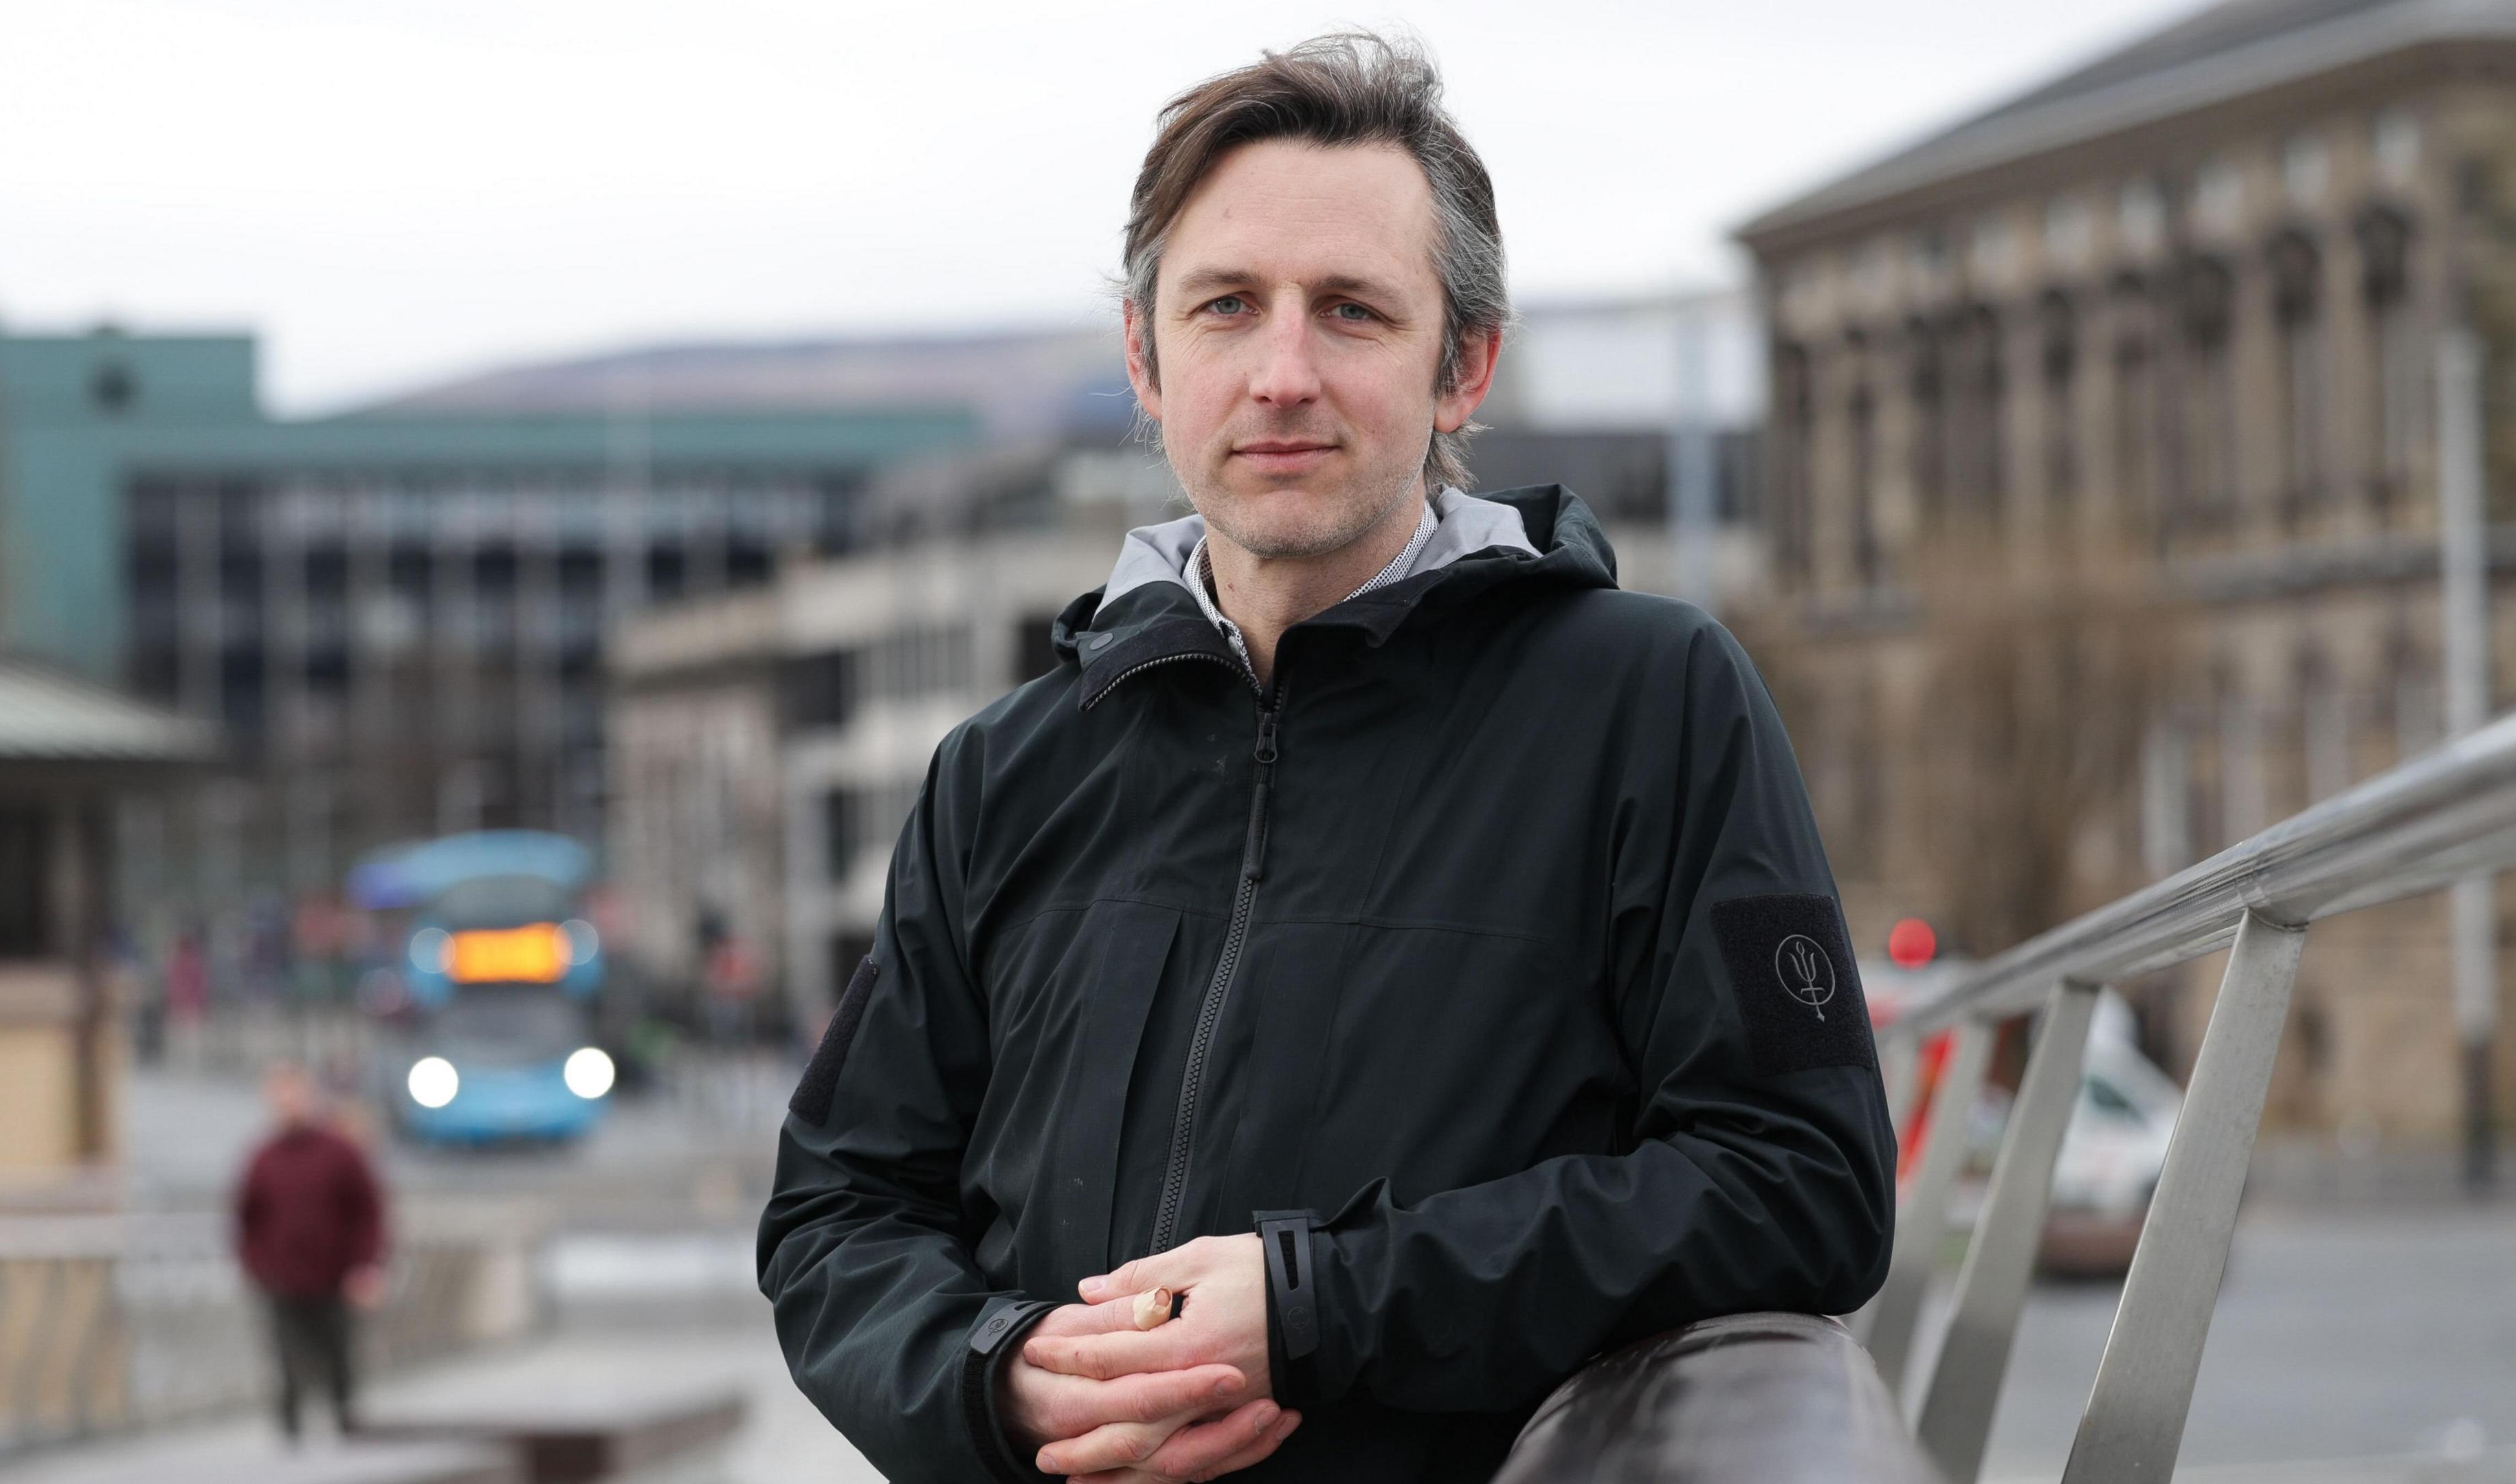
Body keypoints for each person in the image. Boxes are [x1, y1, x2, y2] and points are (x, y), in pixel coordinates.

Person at [757, 32, 1895, 1483]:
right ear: (1146, 357)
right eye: (1227, 307)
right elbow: (835, 1212)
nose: (1281, 374)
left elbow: (1804, 1185)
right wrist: (1002, 1377)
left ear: (1462, 366)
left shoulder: (1654, 702)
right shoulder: (1003, 771)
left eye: (1351, 311)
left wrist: (1319, 1305)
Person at [234, 1061, 386, 1443]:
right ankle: (290, 1430)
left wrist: (366, 1266)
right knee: (286, 1357)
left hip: (335, 1274)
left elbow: (368, 1212)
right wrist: (256, 1266)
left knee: (338, 1354)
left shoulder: (340, 1154)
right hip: (282, 1277)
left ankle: (345, 1419)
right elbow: (246, 1218)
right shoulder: (262, 1158)